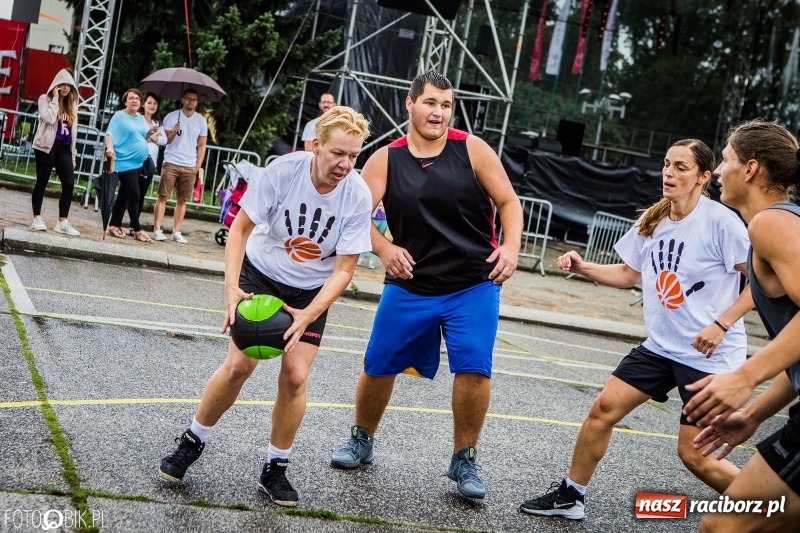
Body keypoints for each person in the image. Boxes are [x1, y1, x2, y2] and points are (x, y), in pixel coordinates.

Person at [520, 139, 753, 521]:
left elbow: (761, 283)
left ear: (703, 177)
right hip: (662, 347)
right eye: (666, 164)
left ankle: (773, 509)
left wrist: (721, 323)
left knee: (693, 454)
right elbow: (629, 274)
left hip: (711, 356)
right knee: (603, 409)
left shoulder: (722, 223)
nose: (669, 172)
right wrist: (583, 267)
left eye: (680, 167)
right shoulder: (655, 219)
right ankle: (571, 496)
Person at [158, 106, 373, 508]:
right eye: (338, 153)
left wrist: (310, 313)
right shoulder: (282, 172)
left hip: (311, 290)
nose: (346, 164)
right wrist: (231, 290)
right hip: (262, 273)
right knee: (239, 366)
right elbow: (239, 229)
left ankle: (276, 467)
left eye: (353, 156)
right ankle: (192, 441)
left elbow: (345, 269)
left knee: (294, 377)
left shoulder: (358, 194)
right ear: (316, 146)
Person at [329, 70, 523, 501]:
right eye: (430, 102)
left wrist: (510, 247)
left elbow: (510, 202)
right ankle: (362, 439)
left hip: (472, 283)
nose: (438, 112)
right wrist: (381, 248)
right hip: (410, 281)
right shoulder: (385, 159)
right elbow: (355, 217)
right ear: (410, 104)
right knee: (378, 362)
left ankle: (465, 458)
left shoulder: (471, 148)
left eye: (445, 105)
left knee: (474, 367)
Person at [680, 120, 800, 533]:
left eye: (726, 159)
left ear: (750, 169)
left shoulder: (771, 224)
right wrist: (753, 416)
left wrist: (746, 376)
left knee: (721, 527)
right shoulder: (775, 225)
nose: (716, 171)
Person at [152, 88, 208, 244]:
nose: (191, 102)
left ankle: (176, 231)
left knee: (182, 200)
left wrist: (198, 166)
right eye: (188, 99)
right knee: (163, 196)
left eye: (194, 99)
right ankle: (157, 229)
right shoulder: (172, 117)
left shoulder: (201, 121)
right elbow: (166, 141)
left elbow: (202, 144)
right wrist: (173, 132)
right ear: (182, 100)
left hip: (189, 164)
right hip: (171, 161)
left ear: (197, 102)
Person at [103, 88, 158, 243]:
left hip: (138, 162)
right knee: (135, 195)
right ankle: (137, 230)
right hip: (124, 162)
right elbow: (109, 134)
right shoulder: (119, 116)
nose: (134, 100)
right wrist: (110, 148)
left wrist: (149, 133)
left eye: (137, 98)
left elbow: (140, 136)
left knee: (124, 195)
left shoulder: (140, 117)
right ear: (125, 101)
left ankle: (113, 225)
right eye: (131, 98)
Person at [31, 69, 81, 236]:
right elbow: (50, 118)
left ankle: (62, 222)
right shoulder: (44, 99)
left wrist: (73, 155)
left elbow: (74, 132)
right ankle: (37, 218)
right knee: (42, 182)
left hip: (64, 148)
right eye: (62, 85)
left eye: (69, 85)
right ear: (56, 85)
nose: (65, 88)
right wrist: (55, 99)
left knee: (69, 184)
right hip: (46, 147)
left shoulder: (72, 104)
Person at [137, 92, 166, 226]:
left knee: (141, 194)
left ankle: (134, 224)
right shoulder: (138, 118)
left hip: (149, 164)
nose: (152, 105)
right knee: (131, 192)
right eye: (149, 102)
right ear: (143, 104)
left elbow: (164, 140)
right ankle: (117, 222)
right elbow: (137, 136)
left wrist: (150, 137)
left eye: (155, 103)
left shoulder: (157, 123)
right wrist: (150, 136)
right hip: (136, 160)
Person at [358, 201, 387, 269]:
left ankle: (372, 261)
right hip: (374, 218)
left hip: (384, 220)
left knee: (380, 241)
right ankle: (360, 258)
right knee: (367, 239)